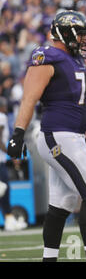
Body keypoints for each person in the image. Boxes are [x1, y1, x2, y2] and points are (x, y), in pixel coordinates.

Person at [7, 10, 86, 262]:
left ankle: (49, 259)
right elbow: (29, 99)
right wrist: (18, 134)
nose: (82, 39)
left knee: (62, 204)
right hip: (58, 136)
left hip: (71, 137)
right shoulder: (48, 57)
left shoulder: (76, 60)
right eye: (78, 34)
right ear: (63, 33)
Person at [0, 96, 27, 231]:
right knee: (4, 190)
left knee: (3, 191)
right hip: (0, 161)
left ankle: (9, 219)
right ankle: (9, 220)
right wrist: (12, 155)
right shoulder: (1, 117)